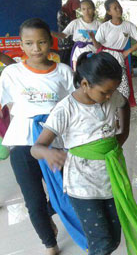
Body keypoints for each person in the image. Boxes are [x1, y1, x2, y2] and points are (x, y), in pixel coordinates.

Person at [31, 52, 137, 255]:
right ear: (85, 84)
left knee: (113, 239)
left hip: (111, 179)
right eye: (105, 92)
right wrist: (48, 154)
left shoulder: (111, 97)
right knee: (101, 242)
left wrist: (124, 132)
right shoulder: (66, 109)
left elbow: (123, 104)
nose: (109, 96)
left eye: (112, 91)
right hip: (82, 185)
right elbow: (36, 147)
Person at [0, 18, 75, 255]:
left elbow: (75, 105)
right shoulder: (11, 73)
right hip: (22, 143)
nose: (36, 49)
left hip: (55, 143)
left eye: (41, 42)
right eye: (29, 43)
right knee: (33, 201)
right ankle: (49, 243)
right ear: (21, 45)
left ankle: (50, 213)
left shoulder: (63, 71)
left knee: (68, 192)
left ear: (50, 42)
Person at [94, 0, 137, 107]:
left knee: (124, 88)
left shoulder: (128, 25)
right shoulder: (104, 27)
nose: (119, 9)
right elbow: (98, 46)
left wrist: (129, 51)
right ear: (109, 12)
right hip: (105, 58)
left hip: (119, 57)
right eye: (115, 8)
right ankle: (108, 111)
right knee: (106, 85)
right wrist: (92, 39)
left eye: (119, 6)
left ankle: (120, 112)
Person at [52, 0, 101, 70]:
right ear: (81, 10)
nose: (86, 11)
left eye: (89, 8)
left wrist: (93, 38)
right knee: (78, 73)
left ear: (94, 9)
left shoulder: (99, 24)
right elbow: (63, 35)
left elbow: (99, 46)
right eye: (83, 9)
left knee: (93, 74)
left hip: (94, 53)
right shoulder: (75, 23)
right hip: (78, 52)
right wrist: (50, 32)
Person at [57, 0, 80, 65]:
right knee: (64, 59)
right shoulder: (62, 11)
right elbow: (61, 25)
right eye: (75, 6)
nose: (76, 8)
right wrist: (72, 25)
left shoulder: (72, 12)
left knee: (71, 59)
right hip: (64, 40)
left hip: (71, 40)